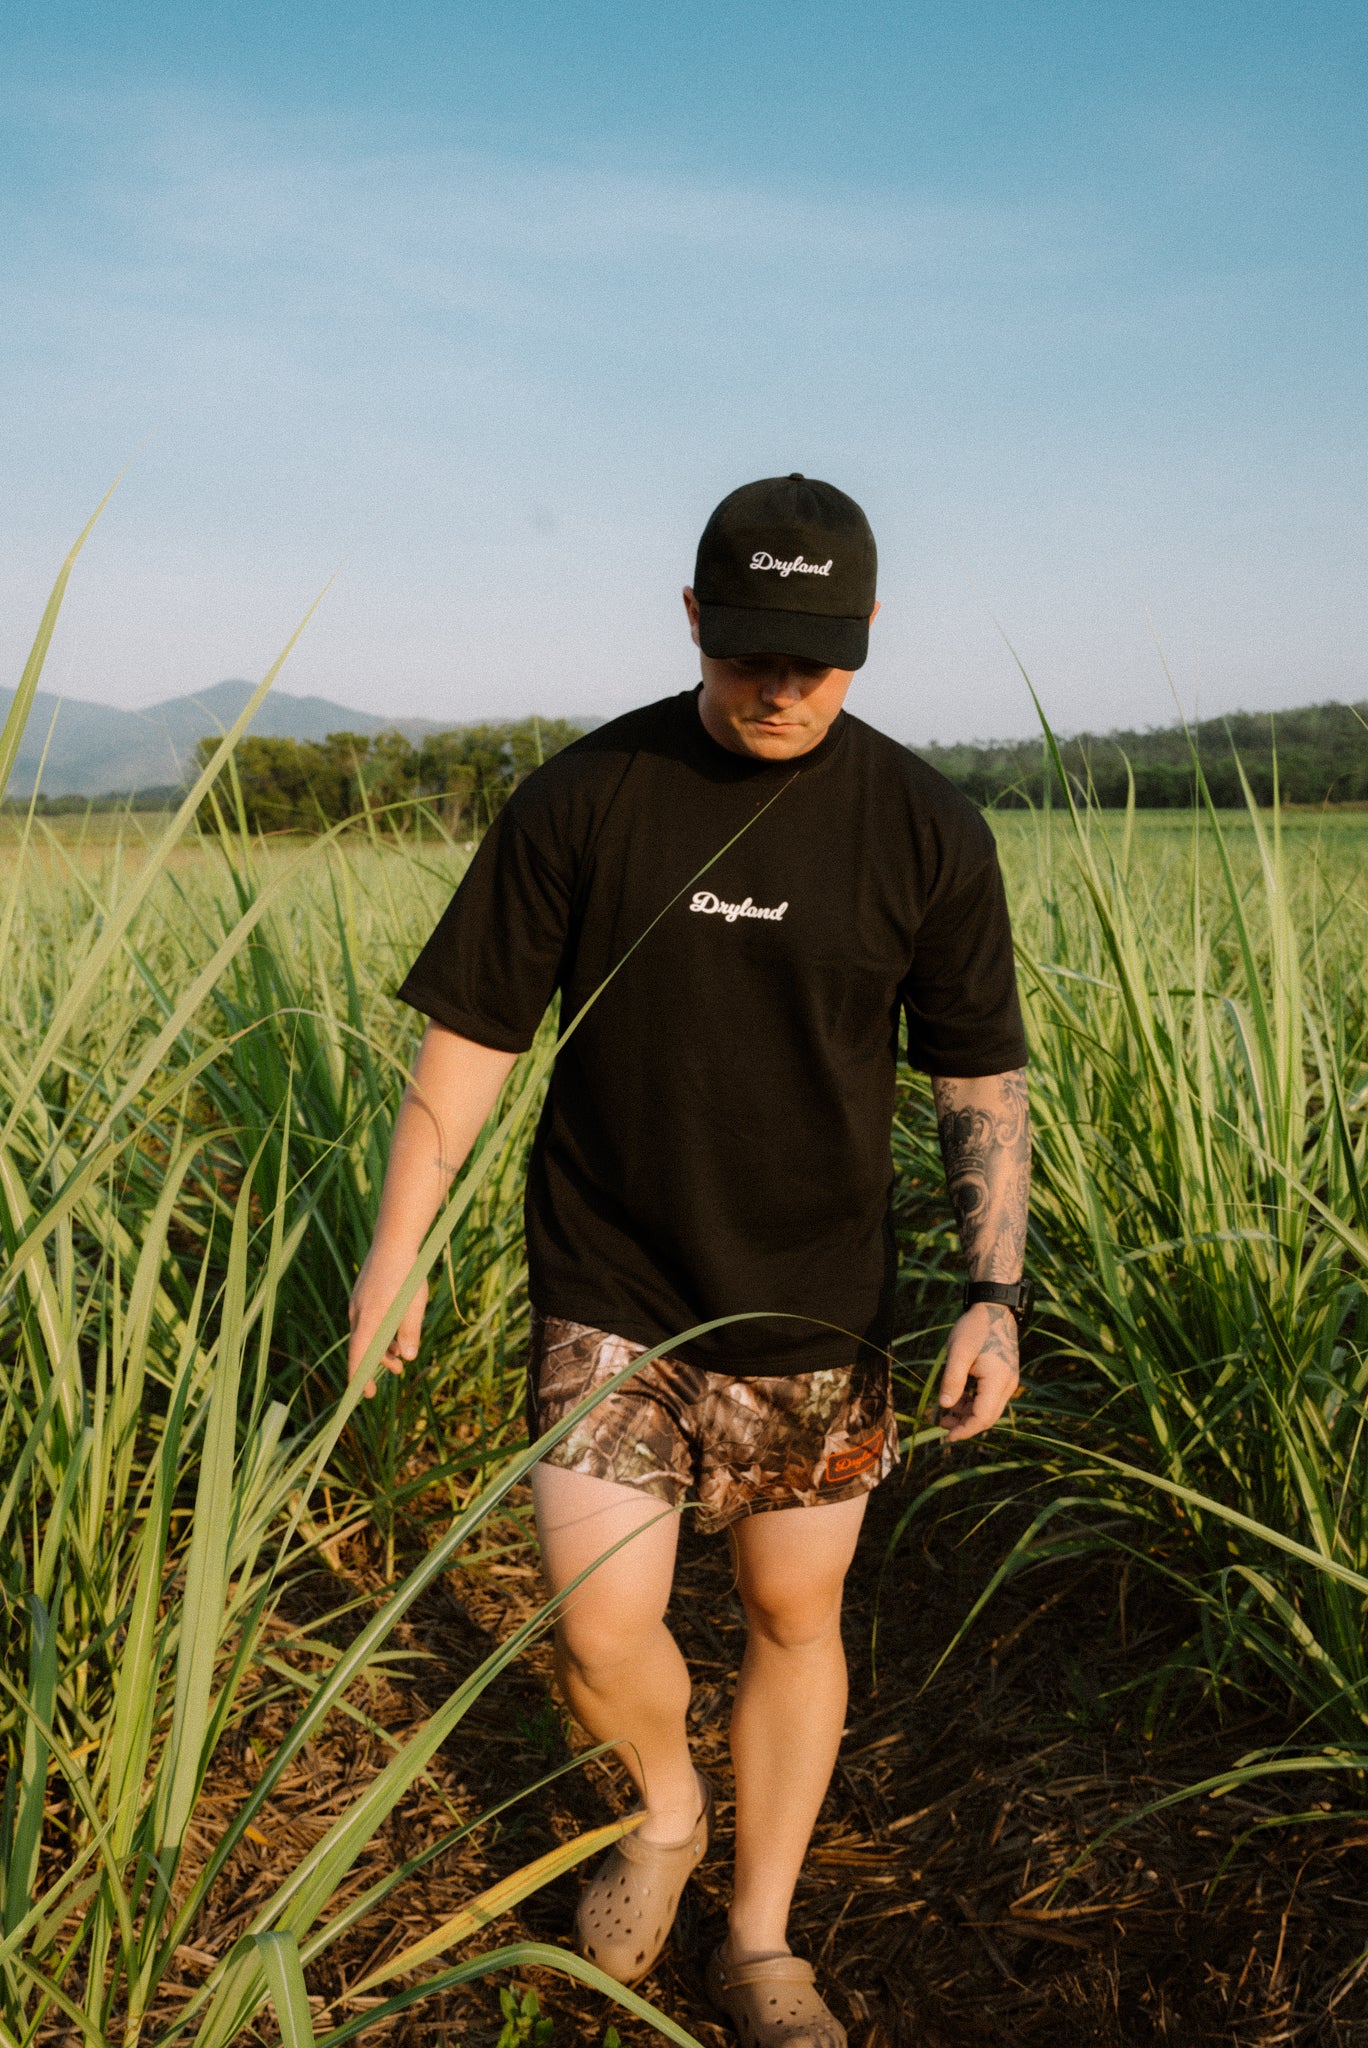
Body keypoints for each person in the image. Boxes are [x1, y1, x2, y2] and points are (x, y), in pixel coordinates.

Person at [348, 474, 1031, 2048]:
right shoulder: (588, 798)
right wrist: (401, 1254)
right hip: (614, 1282)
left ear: (863, 639)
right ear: (692, 624)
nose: (778, 686)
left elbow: (978, 1082)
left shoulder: (926, 825)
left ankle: (762, 1938)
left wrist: (995, 1295)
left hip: (820, 1297)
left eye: (811, 655)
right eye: (746, 652)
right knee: (598, 1621)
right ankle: (665, 1813)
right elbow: (469, 1044)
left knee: (797, 1615)